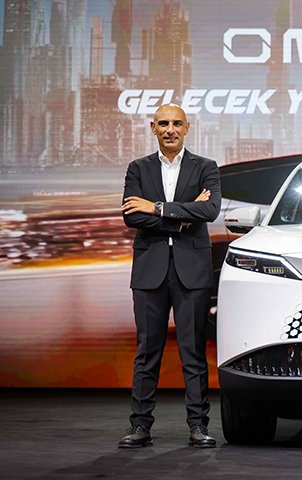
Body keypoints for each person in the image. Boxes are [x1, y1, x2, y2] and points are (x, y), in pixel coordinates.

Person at [118, 103, 221, 448]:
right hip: (150, 271)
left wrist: (157, 207)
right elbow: (132, 216)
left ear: (187, 127)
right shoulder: (138, 168)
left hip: (192, 271)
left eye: (177, 123)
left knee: (193, 353)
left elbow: (210, 209)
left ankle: (198, 426)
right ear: (153, 128)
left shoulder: (206, 167)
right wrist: (183, 218)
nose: (170, 129)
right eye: (163, 123)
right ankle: (140, 426)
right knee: (147, 352)